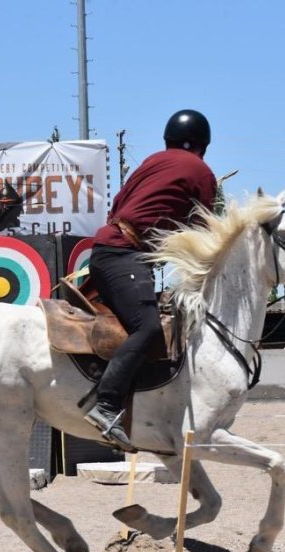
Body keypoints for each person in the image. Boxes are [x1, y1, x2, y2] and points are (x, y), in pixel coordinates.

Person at [83, 109, 218, 451]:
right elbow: (203, 234)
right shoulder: (201, 172)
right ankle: (107, 405)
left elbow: (119, 206)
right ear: (202, 145)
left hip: (109, 249)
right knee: (148, 329)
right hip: (123, 255)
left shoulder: (152, 162)